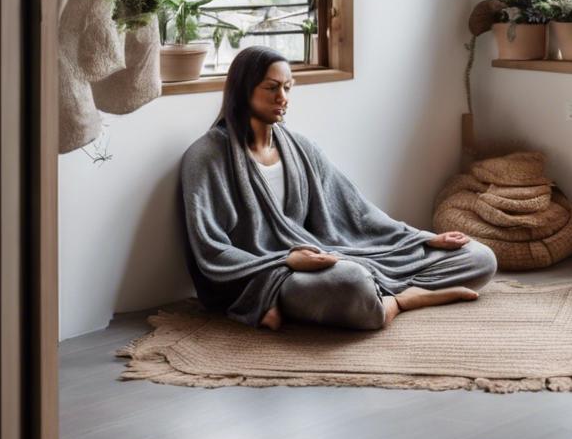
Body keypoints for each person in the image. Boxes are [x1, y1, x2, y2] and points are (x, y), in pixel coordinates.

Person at [181, 46, 497, 331]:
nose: (283, 98)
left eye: (288, 88)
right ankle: (400, 300)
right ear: (242, 89)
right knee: (351, 282)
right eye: (272, 88)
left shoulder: (300, 147)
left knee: (479, 257)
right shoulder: (206, 157)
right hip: (267, 275)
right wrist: (284, 262)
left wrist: (424, 238)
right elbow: (211, 250)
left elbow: (356, 211)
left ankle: (379, 298)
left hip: (326, 255)